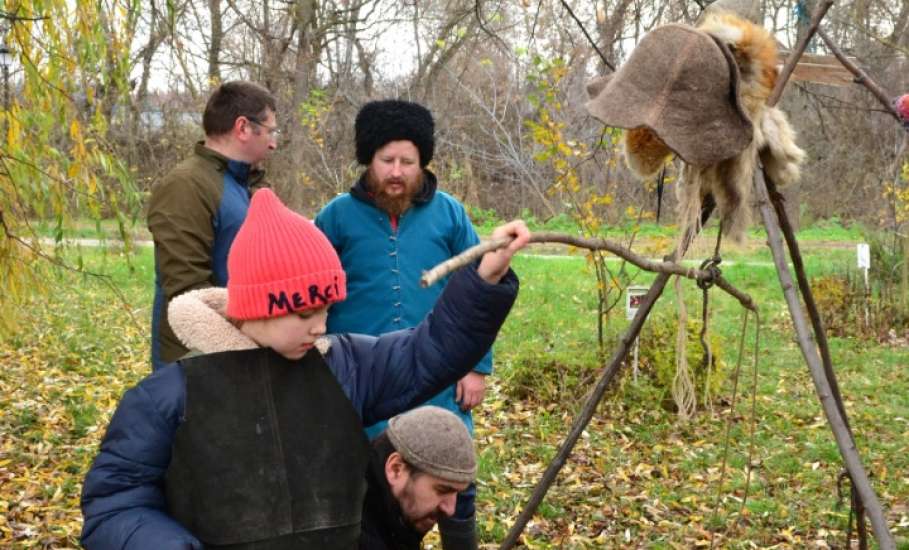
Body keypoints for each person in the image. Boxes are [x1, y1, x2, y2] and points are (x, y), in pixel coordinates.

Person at [80, 188, 529, 549]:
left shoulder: (345, 366)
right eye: (305, 313)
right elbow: (116, 506)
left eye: (327, 309)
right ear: (256, 306)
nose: (320, 327)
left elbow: (428, 353)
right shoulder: (170, 396)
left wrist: (484, 278)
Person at [315, 99, 488, 549]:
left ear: (422, 163)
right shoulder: (336, 217)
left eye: (407, 162)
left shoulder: (449, 214)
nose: (397, 172)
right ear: (368, 161)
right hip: (360, 379)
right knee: (369, 487)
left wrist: (476, 366)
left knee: (453, 476)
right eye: (386, 160)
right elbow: (310, 291)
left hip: (436, 372)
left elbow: (478, 286)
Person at [148, 80, 279, 370]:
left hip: (241, 357)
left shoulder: (248, 186)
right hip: (194, 364)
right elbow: (188, 292)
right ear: (243, 127)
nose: (273, 143)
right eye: (270, 131)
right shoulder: (185, 186)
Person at [360, 406, 476, 550]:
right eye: (442, 490)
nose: (451, 510)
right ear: (396, 469)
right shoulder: (346, 533)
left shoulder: (390, 513)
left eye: (457, 493)